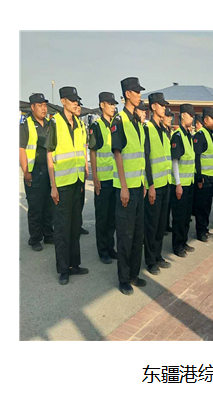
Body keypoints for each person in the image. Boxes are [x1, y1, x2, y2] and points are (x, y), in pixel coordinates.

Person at [46, 86, 89, 285]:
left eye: (77, 100)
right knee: (62, 228)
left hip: (77, 182)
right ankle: (63, 269)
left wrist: (84, 171)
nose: (75, 103)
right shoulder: (55, 122)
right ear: (63, 101)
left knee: (74, 226)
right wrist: (53, 186)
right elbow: (49, 154)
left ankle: (74, 264)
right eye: (72, 100)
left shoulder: (79, 123)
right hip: (62, 184)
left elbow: (81, 150)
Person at [111, 77, 147, 295]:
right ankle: (123, 278)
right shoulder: (120, 120)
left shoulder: (136, 121)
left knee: (137, 234)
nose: (139, 94)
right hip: (125, 189)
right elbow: (118, 154)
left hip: (138, 186)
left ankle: (134, 274)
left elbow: (139, 156)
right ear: (127, 94)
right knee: (125, 236)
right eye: (136, 91)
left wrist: (143, 183)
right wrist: (124, 187)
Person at [19, 93, 55, 251]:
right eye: (40, 106)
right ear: (32, 107)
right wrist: (26, 171)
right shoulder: (25, 124)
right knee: (35, 207)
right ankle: (34, 239)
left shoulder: (49, 124)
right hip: (34, 172)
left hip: (49, 171)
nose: (43, 108)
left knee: (49, 205)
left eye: (45, 105)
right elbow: (21, 148)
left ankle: (48, 235)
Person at [144, 93, 172, 275]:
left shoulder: (164, 129)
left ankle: (158, 255)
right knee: (152, 224)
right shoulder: (147, 128)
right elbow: (146, 159)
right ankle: (150, 260)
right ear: (153, 107)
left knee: (161, 224)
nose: (164, 108)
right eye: (161, 105)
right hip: (154, 185)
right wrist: (151, 185)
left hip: (166, 183)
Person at [88, 92, 118, 264]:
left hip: (114, 179)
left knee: (112, 217)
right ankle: (103, 251)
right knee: (102, 217)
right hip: (103, 180)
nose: (113, 107)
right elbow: (92, 152)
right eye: (110, 104)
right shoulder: (97, 126)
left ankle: (110, 247)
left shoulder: (115, 125)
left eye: (114, 104)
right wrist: (95, 177)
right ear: (102, 105)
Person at [169, 104, 197, 257]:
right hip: (180, 185)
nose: (192, 119)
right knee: (179, 217)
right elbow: (175, 161)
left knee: (186, 217)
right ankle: (177, 246)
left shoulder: (188, 135)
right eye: (190, 116)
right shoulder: (178, 136)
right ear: (183, 115)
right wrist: (178, 183)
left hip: (189, 183)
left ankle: (183, 242)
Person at [193, 107, 213, 242]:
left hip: (211, 177)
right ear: (205, 120)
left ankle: (205, 228)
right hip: (203, 178)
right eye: (212, 119)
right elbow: (197, 157)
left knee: (208, 205)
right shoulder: (200, 135)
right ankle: (200, 232)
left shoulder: (211, 134)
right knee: (201, 206)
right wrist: (199, 177)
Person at [74, 102, 90, 235]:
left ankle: (77, 226)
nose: (78, 108)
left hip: (80, 170)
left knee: (79, 201)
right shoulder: (60, 124)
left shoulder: (81, 125)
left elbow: (84, 147)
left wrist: (85, 165)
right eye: (76, 105)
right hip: (67, 171)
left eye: (80, 106)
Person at [162, 108, 174, 235]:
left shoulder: (169, 132)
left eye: (171, 116)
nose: (170, 118)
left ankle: (166, 225)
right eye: (168, 116)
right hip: (160, 175)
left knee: (168, 203)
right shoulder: (161, 131)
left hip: (168, 173)